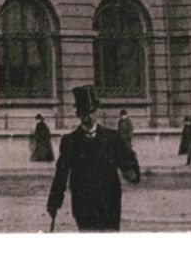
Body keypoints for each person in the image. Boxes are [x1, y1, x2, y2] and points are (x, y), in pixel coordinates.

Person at [46, 86, 140, 231]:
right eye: (84, 113)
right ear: (78, 114)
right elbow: (61, 175)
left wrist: (131, 172)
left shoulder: (112, 138)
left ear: (96, 112)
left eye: (91, 112)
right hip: (83, 203)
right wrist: (54, 202)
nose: (88, 117)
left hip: (109, 201)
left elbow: (127, 160)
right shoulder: (70, 141)